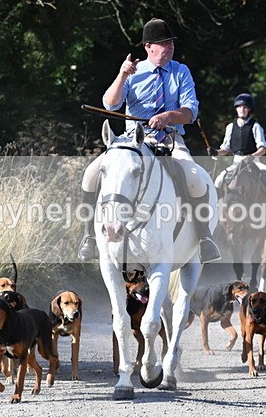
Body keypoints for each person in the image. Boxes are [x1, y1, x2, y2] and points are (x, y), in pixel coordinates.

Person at [77, 17, 221, 263]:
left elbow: (190, 112)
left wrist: (168, 116)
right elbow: (110, 104)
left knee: (196, 179)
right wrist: (122, 75)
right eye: (164, 43)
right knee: (91, 173)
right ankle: (89, 236)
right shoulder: (133, 71)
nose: (170, 47)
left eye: (171, 43)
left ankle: (204, 238)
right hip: (132, 143)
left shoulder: (180, 71)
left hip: (170, 141)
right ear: (148, 47)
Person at [213, 93, 266, 201]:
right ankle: (216, 207)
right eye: (239, 107)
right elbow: (225, 150)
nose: (242, 109)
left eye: (245, 107)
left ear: (249, 109)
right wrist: (215, 152)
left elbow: (263, 149)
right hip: (236, 162)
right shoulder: (230, 127)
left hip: (254, 162)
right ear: (236, 109)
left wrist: (251, 156)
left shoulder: (255, 126)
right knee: (218, 180)